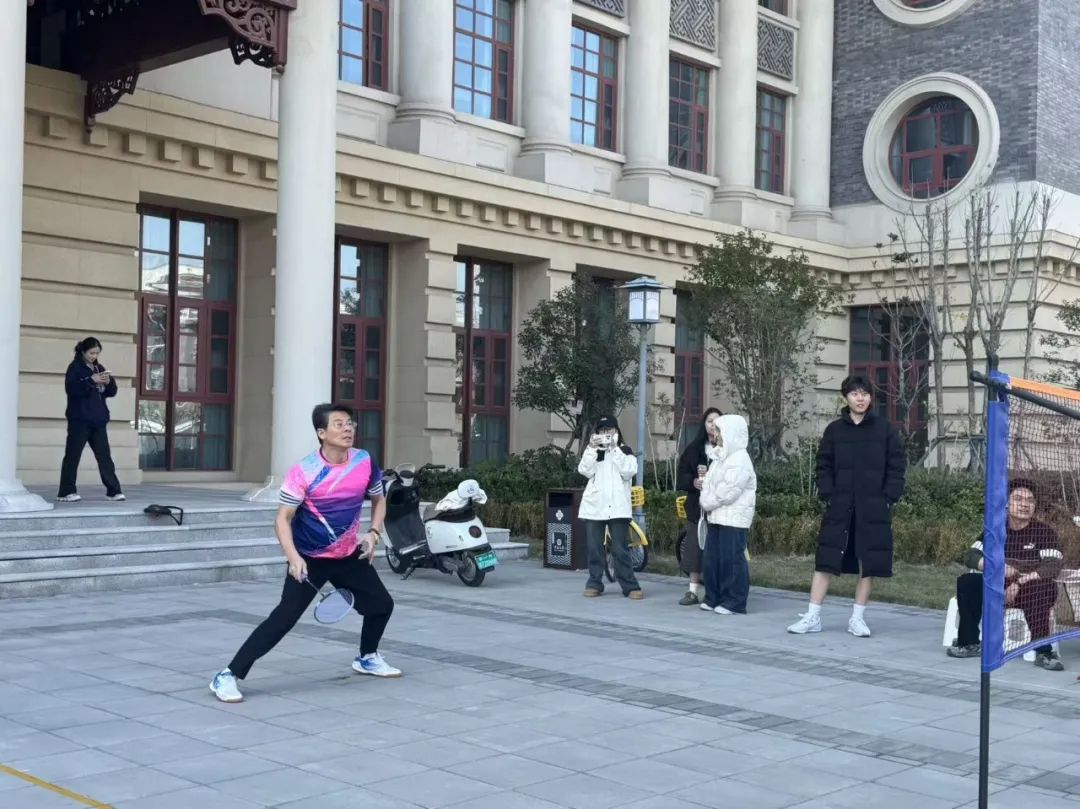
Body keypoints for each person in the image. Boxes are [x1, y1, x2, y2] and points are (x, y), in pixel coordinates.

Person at [210, 403, 400, 703]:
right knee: (283, 619)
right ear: (321, 433)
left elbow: (379, 499)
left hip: (348, 554)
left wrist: (373, 533)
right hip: (310, 559)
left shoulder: (364, 461)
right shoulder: (304, 471)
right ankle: (228, 675)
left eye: (350, 423)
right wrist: (293, 557)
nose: (348, 429)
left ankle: (367, 657)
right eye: (339, 424)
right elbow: (282, 519)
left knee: (381, 605)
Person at [788, 374, 906, 637]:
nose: (860, 398)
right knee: (825, 559)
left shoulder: (885, 430)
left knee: (867, 562)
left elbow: (897, 467)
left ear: (871, 397)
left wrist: (888, 497)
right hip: (840, 507)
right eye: (854, 393)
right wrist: (828, 494)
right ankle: (812, 616)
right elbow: (824, 465)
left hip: (872, 509)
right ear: (845, 398)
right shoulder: (834, 431)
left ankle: (857, 618)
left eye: (864, 393)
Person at [947, 479, 1065, 671]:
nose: (1025, 504)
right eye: (1018, 499)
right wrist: (997, 568)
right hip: (998, 586)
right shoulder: (995, 530)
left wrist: (1019, 582)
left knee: (1039, 588)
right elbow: (971, 555)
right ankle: (969, 643)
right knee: (968, 582)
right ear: (1007, 503)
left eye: (1030, 500)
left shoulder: (1044, 532)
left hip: (1032, 587)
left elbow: (1053, 565)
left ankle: (1044, 652)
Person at [578, 415, 643, 600]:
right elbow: (584, 470)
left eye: (610, 430)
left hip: (618, 507)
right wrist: (591, 448)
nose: (606, 434)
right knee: (594, 548)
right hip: (594, 507)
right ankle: (594, 583)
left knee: (620, 548)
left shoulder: (625, 451)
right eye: (602, 430)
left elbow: (629, 471)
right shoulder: (594, 451)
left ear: (617, 431)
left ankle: (630, 585)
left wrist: (614, 449)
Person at [698, 414, 757, 615]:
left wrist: (707, 502)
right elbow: (708, 482)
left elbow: (729, 491)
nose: (715, 434)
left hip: (734, 519)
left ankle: (735, 601)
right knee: (712, 558)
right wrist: (706, 498)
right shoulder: (720, 457)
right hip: (716, 515)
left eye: (719, 430)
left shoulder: (740, 459)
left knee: (731, 560)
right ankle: (713, 597)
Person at [57, 337, 124, 502]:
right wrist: (91, 380)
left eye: (97, 353)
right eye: (91, 353)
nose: (94, 356)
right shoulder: (75, 368)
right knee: (73, 456)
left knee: (105, 457)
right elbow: (72, 389)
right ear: (83, 352)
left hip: (98, 420)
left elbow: (112, 392)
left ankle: (114, 491)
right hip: (79, 420)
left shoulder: (99, 368)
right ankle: (66, 492)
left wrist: (108, 382)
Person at [676, 408, 723, 606]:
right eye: (709, 421)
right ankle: (692, 590)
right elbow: (682, 476)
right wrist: (693, 482)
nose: (713, 425)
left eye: (717, 421)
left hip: (720, 507)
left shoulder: (727, 449)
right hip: (697, 507)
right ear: (704, 424)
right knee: (695, 548)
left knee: (717, 551)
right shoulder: (694, 449)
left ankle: (716, 591)